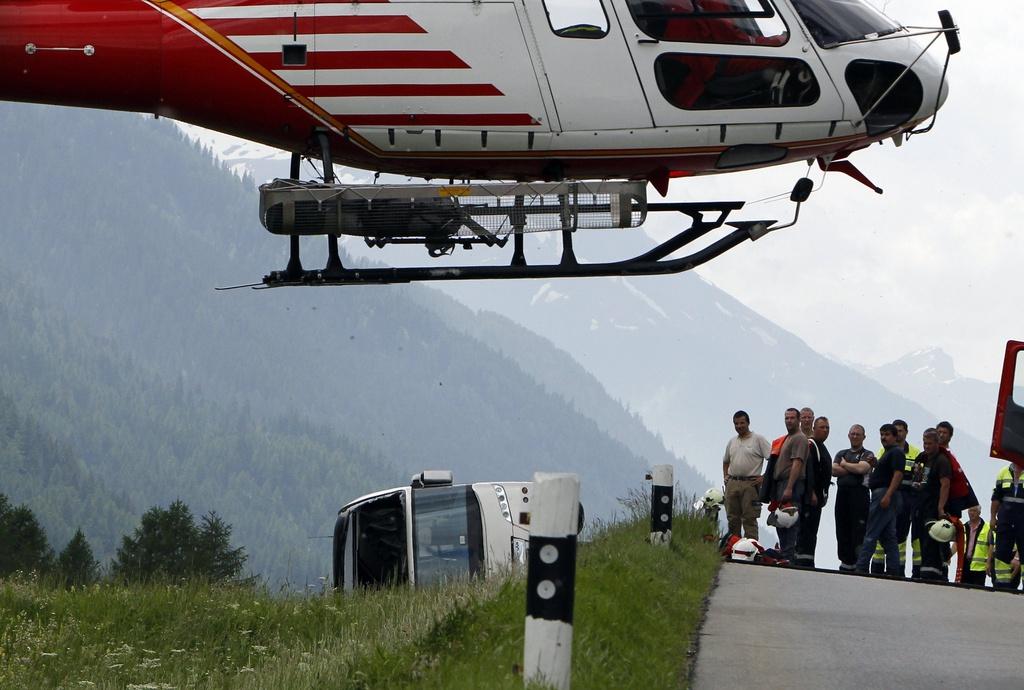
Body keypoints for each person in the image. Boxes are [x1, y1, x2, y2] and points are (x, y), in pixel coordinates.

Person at [871, 419, 922, 576]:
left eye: (901, 430)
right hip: (888, 496)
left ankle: (897, 571)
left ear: (906, 432)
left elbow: (919, 477)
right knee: (881, 532)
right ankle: (877, 569)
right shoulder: (883, 451)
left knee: (900, 535)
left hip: (907, 499)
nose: (898, 433)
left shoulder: (915, 453)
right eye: (896, 431)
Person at [855, 424, 904, 575]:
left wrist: (887, 495)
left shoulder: (896, 452)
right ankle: (893, 570)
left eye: (887, 434)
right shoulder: (888, 453)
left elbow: (898, 474)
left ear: (895, 436)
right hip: (883, 494)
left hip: (884, 495)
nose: (883, 437)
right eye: (882, 434)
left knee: (871, 532)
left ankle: (861, 567)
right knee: (888, 536)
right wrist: (876, 464)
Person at [722, 410, 771, 540]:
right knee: (732, 518)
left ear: (748, 423)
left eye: (742, 423)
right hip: (732, 482)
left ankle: (751, 549)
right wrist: (725, 477)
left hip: (751, 484)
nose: (739, 426)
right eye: (736, 423)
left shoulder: (758, 439)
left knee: (749, 518)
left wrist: (764, 477)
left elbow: (773, 460)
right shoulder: (732, 441)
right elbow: (726, 461)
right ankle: (734, 547)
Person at [832, 425, 875, 572]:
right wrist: (852, 469)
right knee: (841, 528)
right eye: (853, 434)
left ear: (864, 437)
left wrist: (844, 465)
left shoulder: (867, 454)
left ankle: (859, 565)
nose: (855, 436)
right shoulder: (841, 453)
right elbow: (833, 470)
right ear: (848, 435)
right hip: (842, 496)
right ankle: (845, 563)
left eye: (858, 434)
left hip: (860, 497)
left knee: (859, 531)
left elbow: (863, 469)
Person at [914, 429, 952, 581]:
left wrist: (941, 507)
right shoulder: (922, 457)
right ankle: (922, 571)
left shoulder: (942, 460)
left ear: (937, 443)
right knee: (921, 538)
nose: (926, 446)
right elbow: (916, 476)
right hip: (921, 505)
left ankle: (933, 573)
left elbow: (945, 484)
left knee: (933, 540)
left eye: (930, 443)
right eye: (924, 443)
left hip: (934, 506)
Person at [794, 416, 831, 567]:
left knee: (812, 530)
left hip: (819, 496)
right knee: (806, 528)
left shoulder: (822, 447)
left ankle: (809, 559)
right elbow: (810, 471)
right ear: (814, 429)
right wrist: (812, 493)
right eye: (822, 427)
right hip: (810, 497)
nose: (825, 430)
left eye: (827, 428)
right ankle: (802, 560)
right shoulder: (811, 445)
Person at [772, 408, 809, 560]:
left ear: (798, 420)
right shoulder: (788, 437)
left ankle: (788, 555)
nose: (789, 421)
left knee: (790, 519)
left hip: (791, 484)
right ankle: (783, 552)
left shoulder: (799, 438)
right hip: (781, 483)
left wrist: (789, 487)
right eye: (786, 418)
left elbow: (797, 463)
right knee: (780, 520)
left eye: (792, 418)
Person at [991, 462, 1024, 589]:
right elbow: (996, 497)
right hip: (1006, 520)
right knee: (1001, 551)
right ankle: (1001, 583)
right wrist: (993, 517)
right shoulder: (1003, 472)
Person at [961, 505, 991, 587]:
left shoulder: (987, 528)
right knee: (962, 591)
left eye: (974, 511)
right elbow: (957, 544)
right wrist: (949, 556)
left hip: (979, 568)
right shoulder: (964, 527)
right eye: (970, 511)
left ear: (979, 513)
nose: (972, 513)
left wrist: (989, 562)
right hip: (964, 565)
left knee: (978, 592)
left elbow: (991, 546)